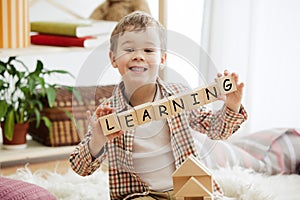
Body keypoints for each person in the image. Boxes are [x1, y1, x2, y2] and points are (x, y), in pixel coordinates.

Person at [70, 11, 247, 200]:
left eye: (148, 50)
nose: (138, 56)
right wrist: (97, 140)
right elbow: (80, 168)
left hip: (189, 188)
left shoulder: (180, 95)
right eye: (129, 50)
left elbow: (217, 130)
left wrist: (232, 105)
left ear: (162, 59)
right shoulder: (107, 114)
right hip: (141, 195)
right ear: (113, 59)